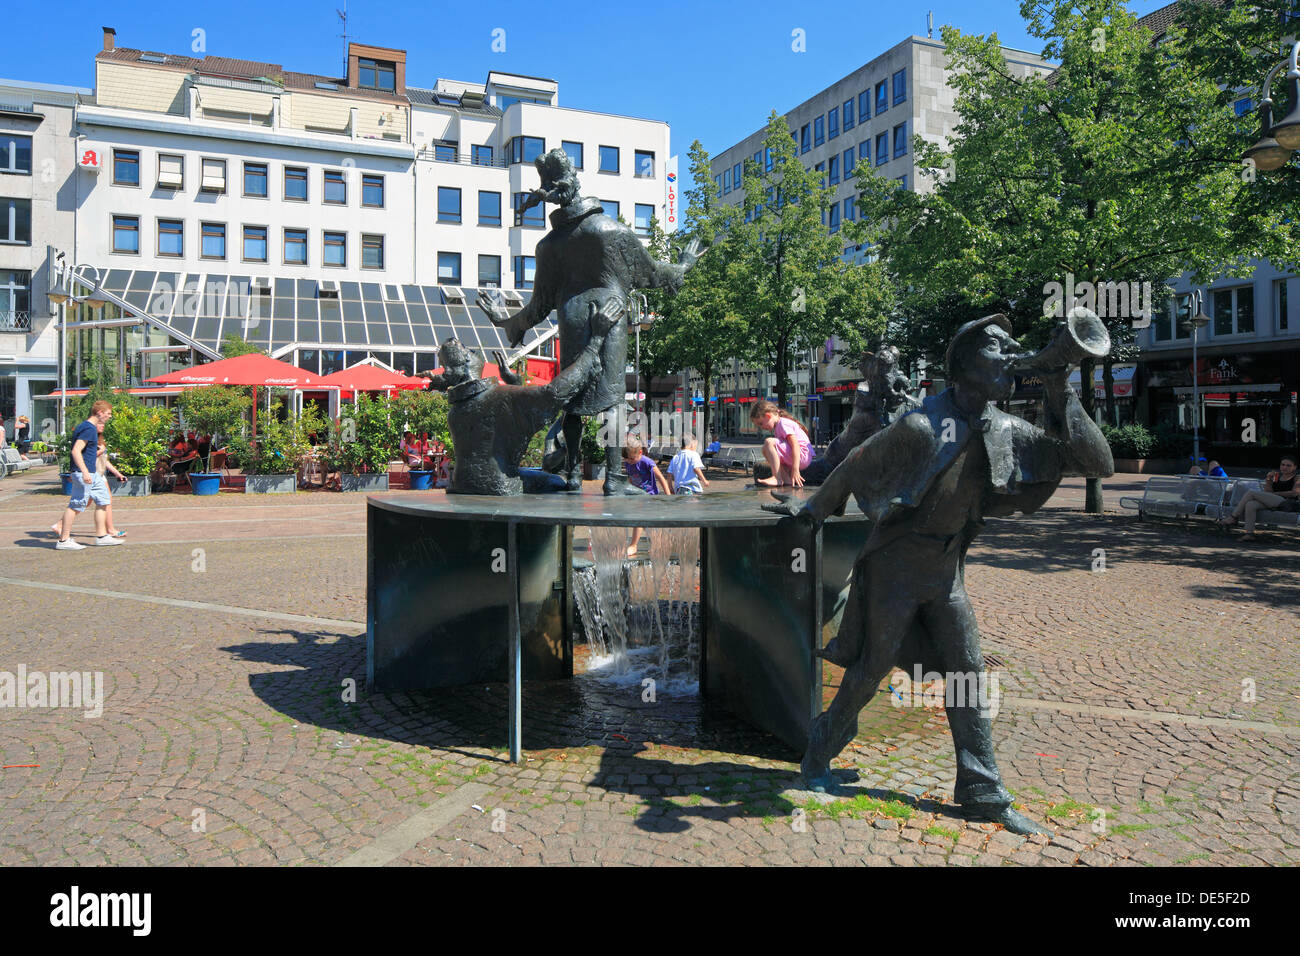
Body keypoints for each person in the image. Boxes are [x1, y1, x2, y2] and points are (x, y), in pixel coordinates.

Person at [764, 309, 1114, 835]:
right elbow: (856, 464)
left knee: (967, 672)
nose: (1011, 353)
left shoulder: (1003, 429)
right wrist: (811, 514)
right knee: (868, 671)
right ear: (965, 364)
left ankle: (981, 789)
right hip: (895, 567)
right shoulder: (920, 424)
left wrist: (1061, 390)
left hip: (946, 572)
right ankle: (820, 748)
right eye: (998, 346)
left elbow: (1097, 463)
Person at [478, 147, 702, 495]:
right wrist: (685, 263)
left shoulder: (548, 246)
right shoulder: (609, 230)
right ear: (575, 181)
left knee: (573, 399)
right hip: (607, 318)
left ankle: (571, 474)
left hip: (571, 322)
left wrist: (508, 322)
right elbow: (656, 274)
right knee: (612, 400)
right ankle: (613, 479)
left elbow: (538, 306)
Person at [426, 298, 621, 496]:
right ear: (467, 360)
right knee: (555, 482)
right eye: (467, 350)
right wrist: (595, 342)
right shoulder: (498, 396)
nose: (473, 351)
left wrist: (516, 386)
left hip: (463, 483)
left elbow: (504, 425)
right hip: (497, 484)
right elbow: (553, 393)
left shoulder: (457, 411)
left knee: (539, 477)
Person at [54, 401, 122, 549]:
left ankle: (102, 536)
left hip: (92, 472)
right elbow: (76, 451)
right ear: (99, 413)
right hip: (84, 472)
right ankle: (63, 540)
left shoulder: (87, 427)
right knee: (76, 505)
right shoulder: (88, 428)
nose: (109, 417)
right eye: (108, 414)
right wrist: (84, 472)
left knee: (103, 501)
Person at [1218, 455, 1300, 539]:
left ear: (1294, 467)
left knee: (1251, 493)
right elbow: (1268, 492)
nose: (1284, 467)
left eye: (1288, 465)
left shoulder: (1297, 477)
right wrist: (1268, 480)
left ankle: (1233, 517)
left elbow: (1295, 493)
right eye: (1283, 465)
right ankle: (1249, 534)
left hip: (1286, 503)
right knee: (1251, 504)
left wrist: (1275, 494)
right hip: (1274, 502)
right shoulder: (1277, 477)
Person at [623, 435, 670, 558]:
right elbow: (630, 478)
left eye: (632, 459)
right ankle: (654, 544)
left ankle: (636, 545)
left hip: (650, 496)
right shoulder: (628, 462)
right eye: (627, 459)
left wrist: (669, 496)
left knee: (643, 520)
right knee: (643, 522)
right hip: (637, 496)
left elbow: (661, 478)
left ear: (640, 452)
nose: (629, 461)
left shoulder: (647, 462)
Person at [750, 400, 813, 489]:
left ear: (768, 416)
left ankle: (777, 478)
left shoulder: (783, 423)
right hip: (800, 457)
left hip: (802, 455)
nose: (762, 427)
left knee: (769, 442)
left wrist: (795, 469)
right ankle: (787, 480)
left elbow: (795, 445)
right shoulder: (778, 427)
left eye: (761, 423)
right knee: (765, 449)